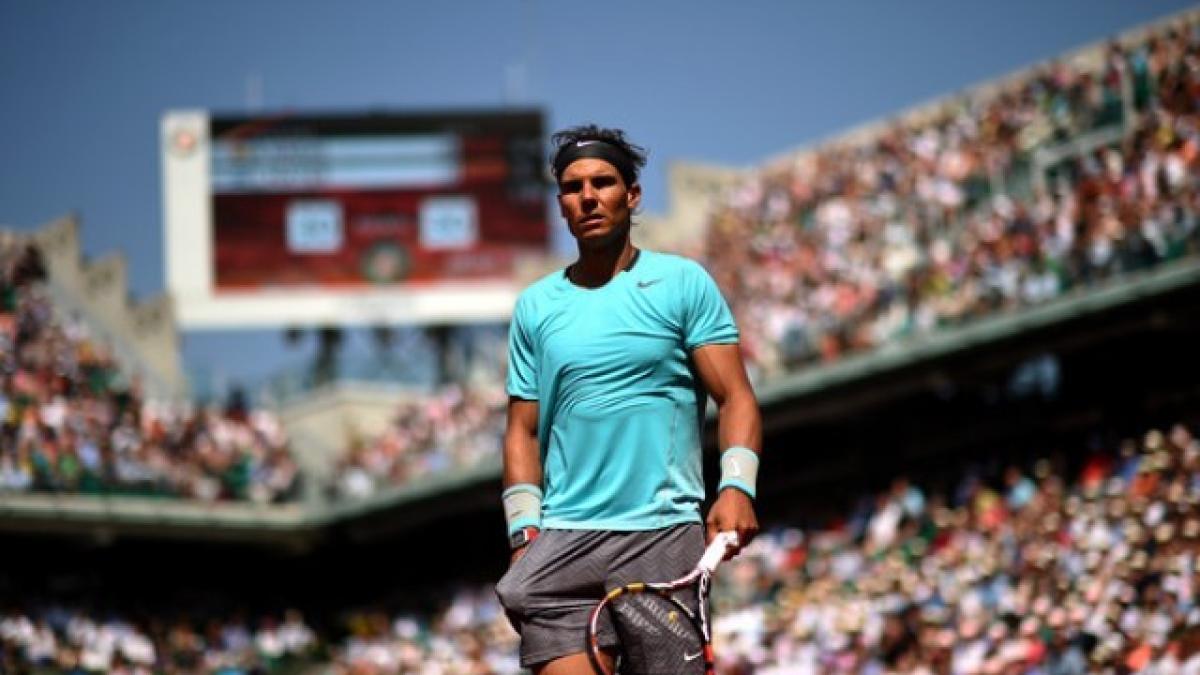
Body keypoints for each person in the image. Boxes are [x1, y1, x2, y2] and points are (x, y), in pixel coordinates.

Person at [495, 124, 762, 674]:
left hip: (660, 534)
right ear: (561, 205)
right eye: (573, 188)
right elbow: (521, 430)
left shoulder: (683, 283)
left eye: (603, 182)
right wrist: (524, 533)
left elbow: (735, 396)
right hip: (563, 541)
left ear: (632, 195)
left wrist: (737, 485)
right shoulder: (535, 307)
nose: (588, 196)